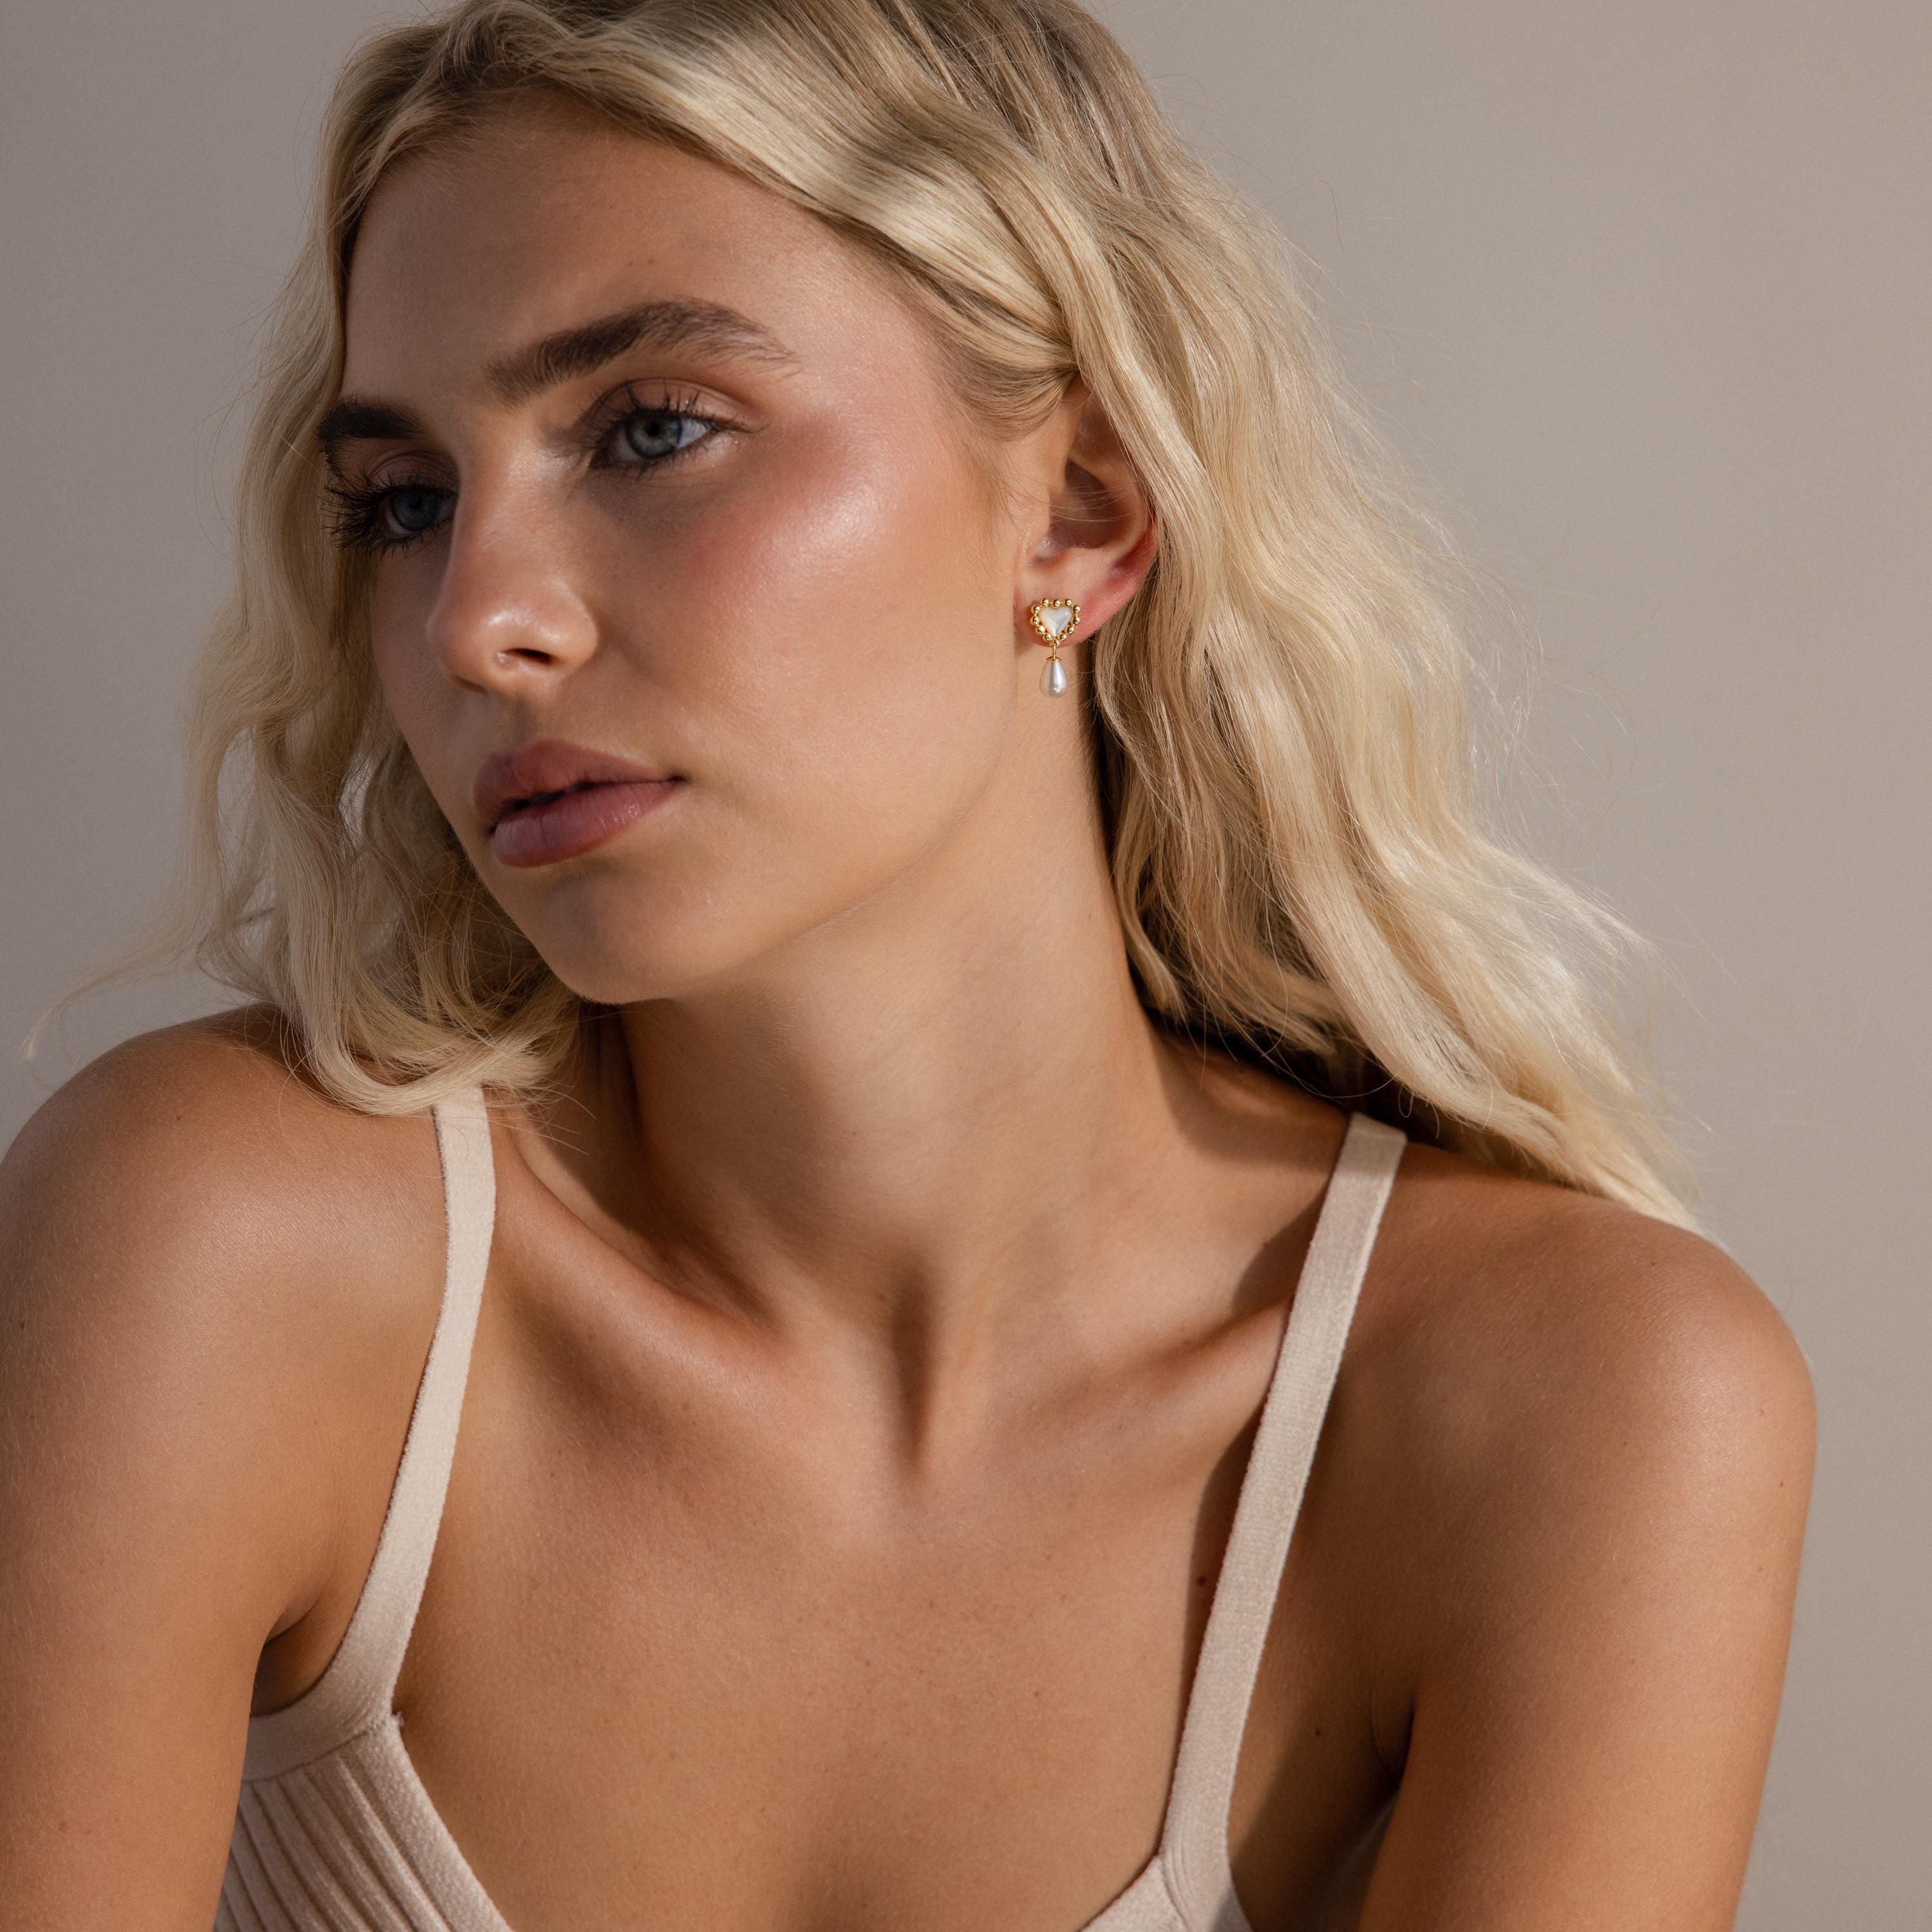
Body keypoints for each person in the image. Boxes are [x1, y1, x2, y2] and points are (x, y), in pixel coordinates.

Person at [0, 1, 1814, 1927]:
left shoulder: (1561, 1407)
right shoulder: (224, 1254)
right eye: (407, 502)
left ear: (1085, 511)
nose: (479, 622)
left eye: (652, 429)